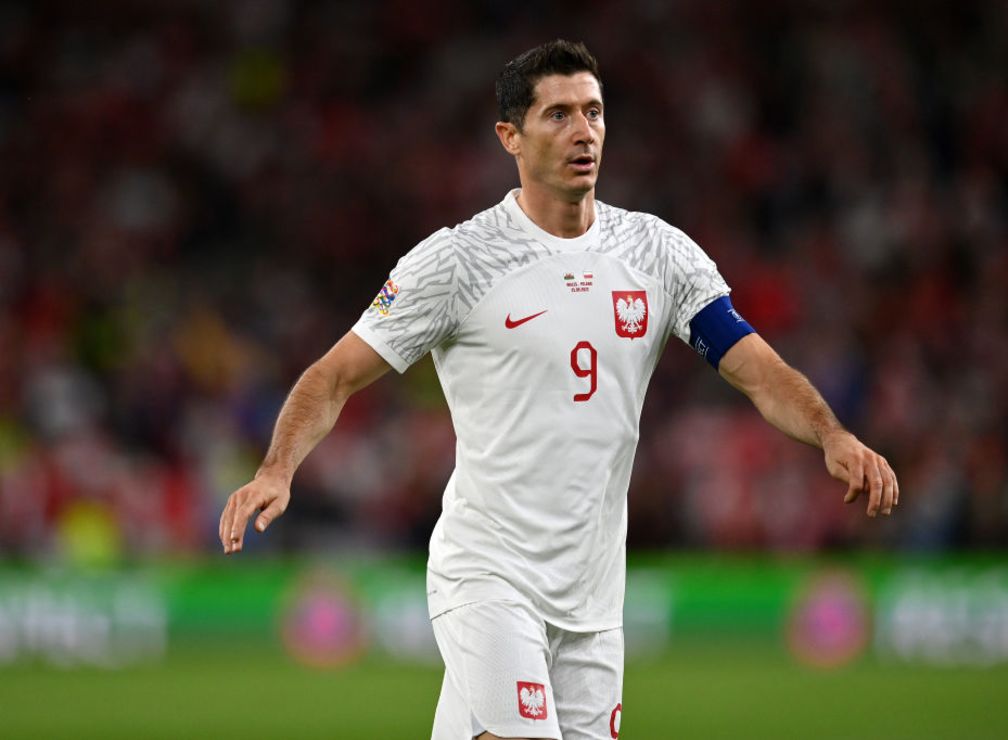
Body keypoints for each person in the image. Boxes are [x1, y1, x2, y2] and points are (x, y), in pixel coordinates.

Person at [219, 39, 898, 740]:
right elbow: (331, 377)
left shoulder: (657, 254)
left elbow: (759, 371)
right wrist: (277, 468)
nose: (584, 131)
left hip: (593, 601)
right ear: (509, 136)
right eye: (559, 115)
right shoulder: (458, 262)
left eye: (595, 112)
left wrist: (832, 433)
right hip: (488, 577)